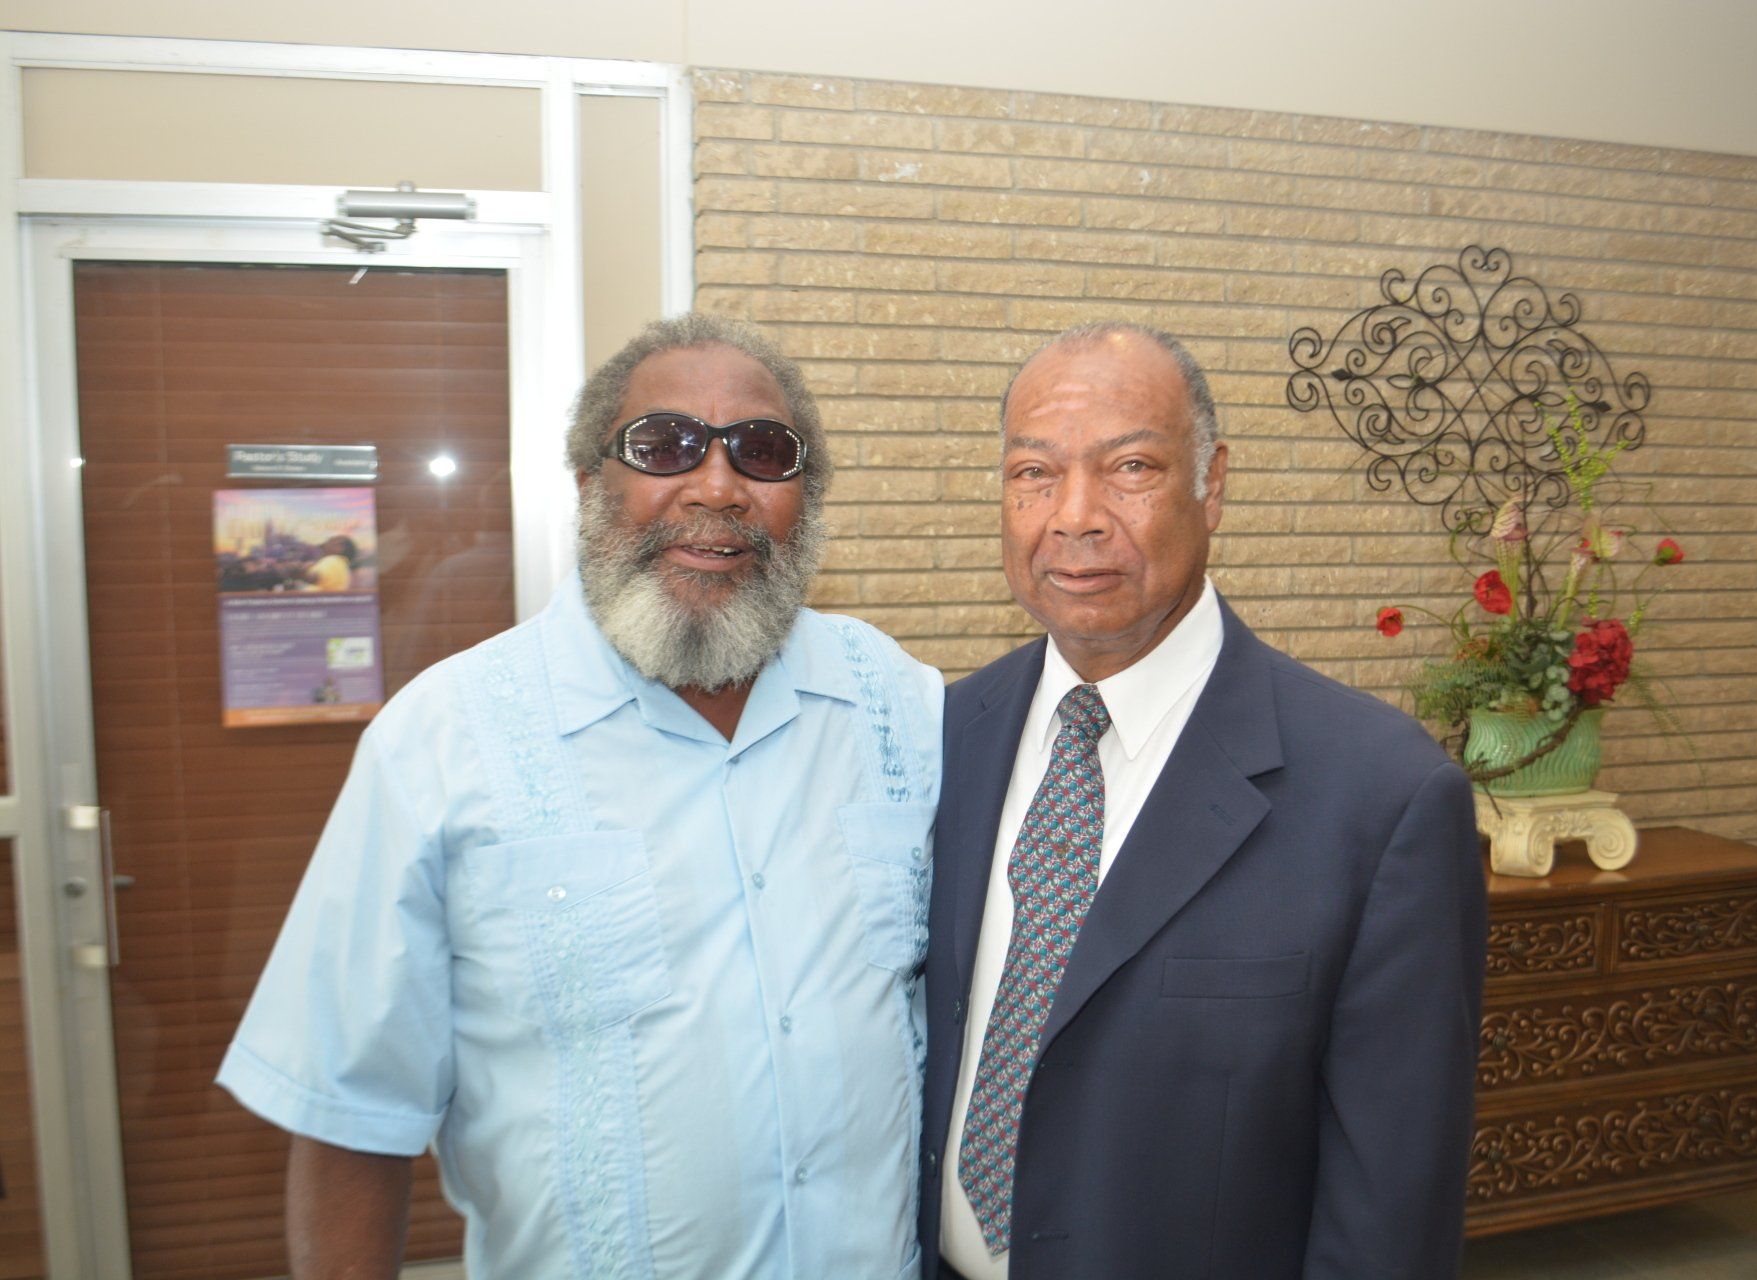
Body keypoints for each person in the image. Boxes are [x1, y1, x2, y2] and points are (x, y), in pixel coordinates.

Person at [218, 313, 942, 1280]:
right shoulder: (440, 741)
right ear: (588, 483)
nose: (717, 487)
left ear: (803, 498)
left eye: (763, 452)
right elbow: (352, 1119)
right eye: (665, 446)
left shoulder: (898, 705)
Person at [921, 323, 1486, 1280]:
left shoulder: (1383, 797)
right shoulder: (944, 737)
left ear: (1211, 484)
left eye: (1130, 467)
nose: (1075, 516)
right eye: (1034, 473)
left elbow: (1391, 1212)